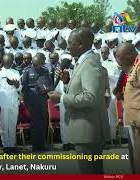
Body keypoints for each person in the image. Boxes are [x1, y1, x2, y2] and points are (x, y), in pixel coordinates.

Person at [47, 28, 110, 174]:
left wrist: (61, 98)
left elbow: (91, 98)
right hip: (85, 131)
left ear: (80, 44)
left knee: (90, 172)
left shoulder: (89, 64)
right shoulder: (83, 62)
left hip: (88, 131)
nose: (67, 46)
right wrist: (67, 81)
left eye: (70, 43)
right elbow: (83, 90)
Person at [116, 42, 140, 173]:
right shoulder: (133, 67)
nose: (117, 60)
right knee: (137, 159)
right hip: (133, 122)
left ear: (128, 55)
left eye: (118, 56)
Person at [22, 53, 51, 152]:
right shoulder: (27, 71)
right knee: (34, 125)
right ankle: (35, 146)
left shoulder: (45, 71)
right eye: (35, 65)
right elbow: (25, 90)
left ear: (41, 63)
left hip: (42, 100)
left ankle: (42, 145)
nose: (36, 66)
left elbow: (49, 84)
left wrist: (47, 90)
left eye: (38, 64)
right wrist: (27, 104)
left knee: (43, 123)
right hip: (32, 102)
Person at [0, 54, 21, 153]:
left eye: (10, 61)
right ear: (3, 62)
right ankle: (6, 146)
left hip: (13, 102)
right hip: (2, 103)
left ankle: (12, 145)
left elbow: (19, 88)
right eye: (6, 61)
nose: (8, 63)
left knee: (13, 125)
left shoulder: (16, 72)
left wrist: (17, 85)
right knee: (4, 125)